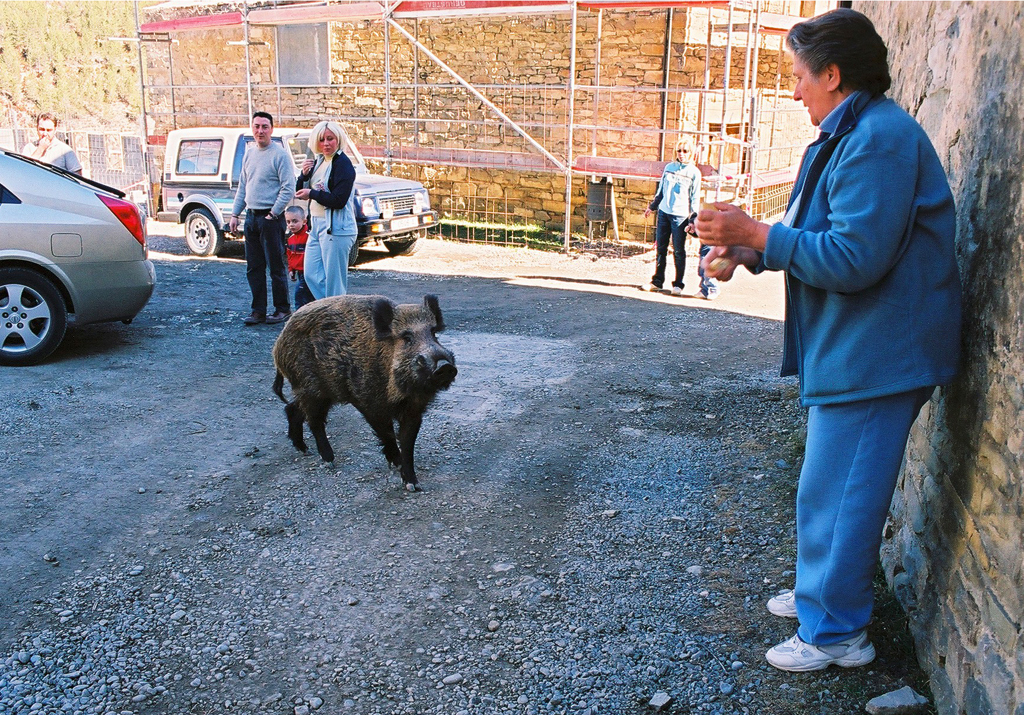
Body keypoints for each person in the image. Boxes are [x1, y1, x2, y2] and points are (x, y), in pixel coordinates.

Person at [696, 8, 962, 673]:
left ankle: (838, 631)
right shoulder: (851, 132)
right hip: (860, 348)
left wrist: (758, 235)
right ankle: (822, 594)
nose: (793, 91)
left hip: (881, 354)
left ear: (833, 74)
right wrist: (748, 251)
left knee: (842, 494)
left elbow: (853, 257)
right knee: (826, 488)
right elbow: (811, 231)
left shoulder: (878, 140)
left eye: (798, 76)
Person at [229, 111, 295, 326]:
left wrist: (274, 212)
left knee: (275, 266)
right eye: (256, 126)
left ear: (272, 129)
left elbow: (288, 187)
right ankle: (258, 311)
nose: (260, 131)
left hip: (270, 219)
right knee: (254, 267)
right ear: (252, 128)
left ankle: (282, 309)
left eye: (264, 126)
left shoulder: (280, 155)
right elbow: (243, 186)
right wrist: (235, 214)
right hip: (251, 217)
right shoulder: (249, 153)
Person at [295, 120, 357, 299]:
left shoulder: (343, 165)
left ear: (338, 139)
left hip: (336, 228)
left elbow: (339, 200)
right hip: (316, 225)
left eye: (330, 139)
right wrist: (304, 176)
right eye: (322, 140)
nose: (326, 143)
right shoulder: (319, 161)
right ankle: (330, 311)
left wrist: (312, 193)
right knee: (311, 274)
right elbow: (300, 190)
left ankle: (337, 318)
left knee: (334, 282)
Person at [643, 136, 709, 297]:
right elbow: (661, 191)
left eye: (685, 151)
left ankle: (678, 284)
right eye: (679, 151)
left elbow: (694, 198)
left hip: (680, 216)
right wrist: (652, 207)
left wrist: (693, 220)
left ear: (691, 153)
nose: (681, 154)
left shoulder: (694, 173)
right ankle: (657, 281)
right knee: (661, 249)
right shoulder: (669, 167)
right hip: (664, 213)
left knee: (679, 251)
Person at [284, 205, 314, 310]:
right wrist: (291, 269)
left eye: (295, 221)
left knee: (300, 296)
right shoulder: (291, 239)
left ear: (304, 221)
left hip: (309, 273)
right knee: (304, 297)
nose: (291, 225)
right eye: (288, 222)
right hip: (300, 273)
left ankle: (299, 319)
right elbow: (290, 256)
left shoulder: (309, 237)